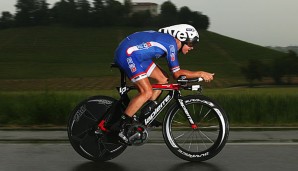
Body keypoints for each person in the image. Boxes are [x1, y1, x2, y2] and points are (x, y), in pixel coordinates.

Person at [113, 24, 214, 144]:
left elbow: (173, 75)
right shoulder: (171, 44)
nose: (192, 47)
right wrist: (200, 73)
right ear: (181, 38)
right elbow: (176, 74)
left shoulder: (169, 42)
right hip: (128, 54)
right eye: (191, 43)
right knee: (146, 91)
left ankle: (147, 113)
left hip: (138, 56)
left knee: (163, 78)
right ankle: (120, 126)